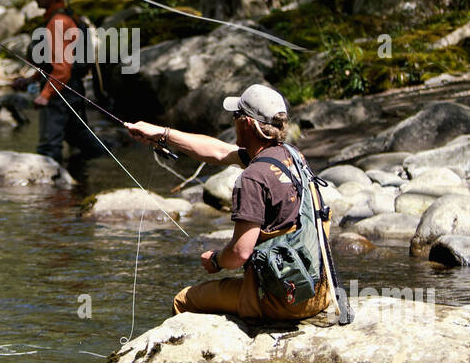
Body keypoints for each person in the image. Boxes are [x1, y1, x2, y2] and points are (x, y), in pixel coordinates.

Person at [125, 83, 333, 322]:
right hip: (319, 290)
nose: (234, 121)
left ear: (246, 123)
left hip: (284, 300)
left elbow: (239, 253)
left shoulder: (253, 177)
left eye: (236, 115)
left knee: (183, 300)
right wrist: (162, 133)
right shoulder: (290, 156)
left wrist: (215, 260)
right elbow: (219, 151)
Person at [12, 0, 105, 167]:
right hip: (72, 89)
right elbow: (54, 64)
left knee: (49, 147)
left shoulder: (58, 22)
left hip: (60, 92)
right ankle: (106, 164)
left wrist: (45, 96)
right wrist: (33, 80)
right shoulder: (65, 17)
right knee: (80, 137)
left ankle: (49, 190)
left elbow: (62, 70)